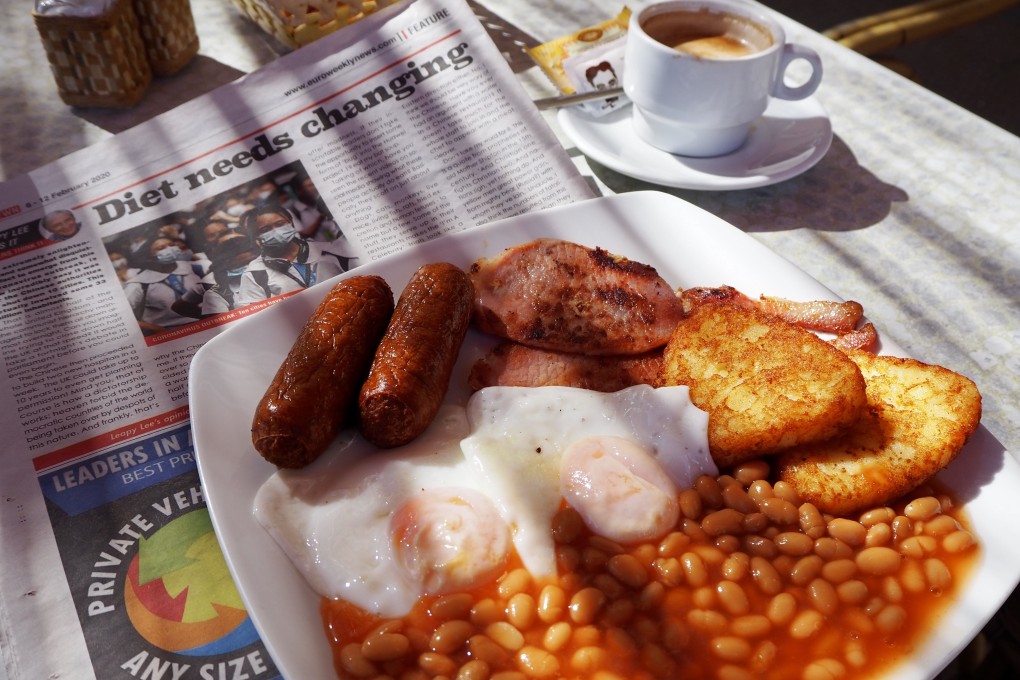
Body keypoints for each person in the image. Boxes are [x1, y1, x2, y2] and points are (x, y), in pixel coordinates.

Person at [234, 204, 358, 306]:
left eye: (280, 224)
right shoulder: (253, 273)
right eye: (265, 230)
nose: (276, 231)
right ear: (256, 237)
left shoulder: (332, 250)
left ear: (291, 223)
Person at [123, 236, 206, 335]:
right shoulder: (139, 284)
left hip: (206, 325)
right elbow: (123, 318)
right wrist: (158, 330)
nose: (170, 249)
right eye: (161, 248)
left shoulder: (195, 268)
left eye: (171, 245)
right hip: (172, 334)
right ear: (149, 257)